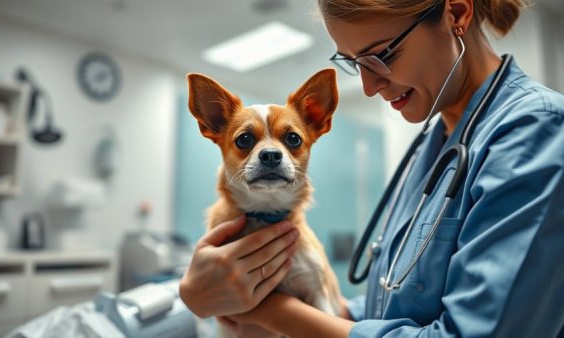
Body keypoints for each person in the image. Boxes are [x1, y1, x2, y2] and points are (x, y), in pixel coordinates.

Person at [179, 0, 564, 337]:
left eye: (383, 55)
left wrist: (266, 308)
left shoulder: (535, 132)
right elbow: (389, 309)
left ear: (457, 14)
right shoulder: (432, 148)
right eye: (354, 64)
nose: (368, 86)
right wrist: (215, 292)